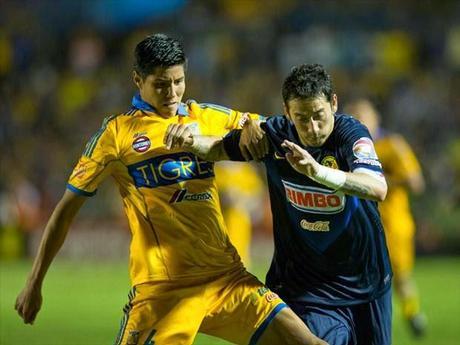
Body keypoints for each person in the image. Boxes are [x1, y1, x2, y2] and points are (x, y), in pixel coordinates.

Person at [14, 34, 327, 345]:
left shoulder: (205, 117)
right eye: (161, 84)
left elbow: (270, 128)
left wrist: (255, 126)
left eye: (179, 81)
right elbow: (65, 212)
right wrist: (34, 281)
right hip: (163, 290)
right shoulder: (117, 135)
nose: (172, 92)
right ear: (138, 79)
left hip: (226, 278)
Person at [165, 63, 393, 345]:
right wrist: (190, 140)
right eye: (301, 117)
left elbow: (377, 187)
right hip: (306, 288)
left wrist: (317, 172)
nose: (312, 127)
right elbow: (222, 146)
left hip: (366, 281)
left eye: (319, 116)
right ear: (287, 111)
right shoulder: (275, 136)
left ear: (334, 103)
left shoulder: (351, 134)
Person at [344, 98, 427, 337]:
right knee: (361, 275)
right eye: (354, 116)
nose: (359, 121)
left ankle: (411, 313)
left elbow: (416, 182)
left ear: (376, 118)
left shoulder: (392, 145)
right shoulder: (348, 145)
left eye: (363, 115)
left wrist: (380, 182)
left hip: (393, 222)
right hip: (360, 223)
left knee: (399, 275)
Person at [215, 161, 265, 267]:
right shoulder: (217, 170)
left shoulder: (246, 171)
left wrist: (244, 200)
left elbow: (257, 195)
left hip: (240, 227)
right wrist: (226, 197)